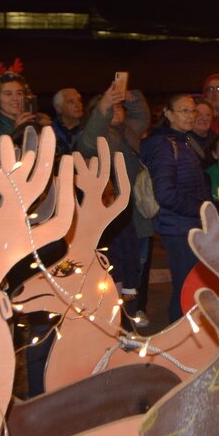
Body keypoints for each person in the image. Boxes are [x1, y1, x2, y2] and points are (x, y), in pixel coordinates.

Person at [79, 83, 152, 309]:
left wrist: (131, 96)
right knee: (117, 267)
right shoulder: (97, 137)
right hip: (114, 213)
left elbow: (142, 116)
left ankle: (136, 308)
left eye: (120, 107)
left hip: (137, 211)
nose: (117, 111)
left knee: (139, 263)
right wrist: (104, 106)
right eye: (113, 108)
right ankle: (118, 315)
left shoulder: (128, 131)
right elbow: (89, 142)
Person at [140, 94, 207, 322]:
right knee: (185, 287)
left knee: (190, 285)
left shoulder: (183, 140)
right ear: (168, 114)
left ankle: (185, 339)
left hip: (188, 225)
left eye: (192, 111)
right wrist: (201, 208)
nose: (191, 115)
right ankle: (179, 340)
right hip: (178, 228)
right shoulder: (164, 144)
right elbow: (165, 193)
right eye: (184, 111)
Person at [0, 63, 50, 143]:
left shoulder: (41, 123)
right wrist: (17, 133)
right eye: (8, 94)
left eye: (19, 93)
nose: (15, 98)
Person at [52, 88, 84, 158]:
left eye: (79, 100)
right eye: (71, 102)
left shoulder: (89, 129)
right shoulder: (50, 131)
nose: (78, 105)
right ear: (59, 108)